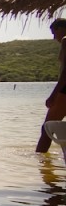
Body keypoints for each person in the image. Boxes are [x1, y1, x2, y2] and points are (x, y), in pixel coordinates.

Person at [36, 18, 66, 152]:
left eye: (54, 33)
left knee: (47, 128)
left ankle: (40, 162)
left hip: (65, 91)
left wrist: (53, 95)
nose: (55, 38)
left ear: (61, 28)